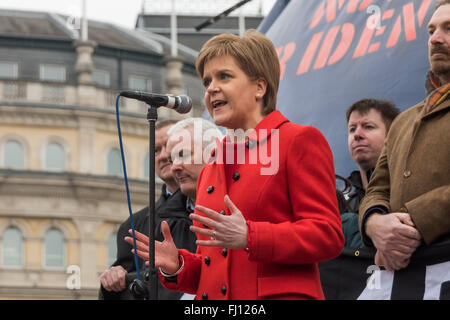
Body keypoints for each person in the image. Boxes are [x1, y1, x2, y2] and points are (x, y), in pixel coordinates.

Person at [128, 29, 344, 300]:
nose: (211, 88)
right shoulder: (212, 166)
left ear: (259, 87)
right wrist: (179, 265)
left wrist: (252, 235)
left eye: (224, 76)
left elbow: (328, 235)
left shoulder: (297, 141)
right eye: (207, 81)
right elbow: (215, 271)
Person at [359, 0, 450, 272]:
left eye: (448, 28)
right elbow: (377, 189)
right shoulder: (403, 121)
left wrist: (409, 224)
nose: (435, 38)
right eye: (431, 31)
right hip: (407, 279)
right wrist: (374, 223)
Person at [99, 119, 197, 300]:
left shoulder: (217, 209)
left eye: (169, 146)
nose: (163, 156)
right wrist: (111, 282)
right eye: (155, 150)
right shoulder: (134, 225)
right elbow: (125, 288)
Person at [340, 99, 399, 248]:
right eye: (352, 129)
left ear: (392, 135)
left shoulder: (407, 187)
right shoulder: (341, 198)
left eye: (368, 127)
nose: (357, 135)